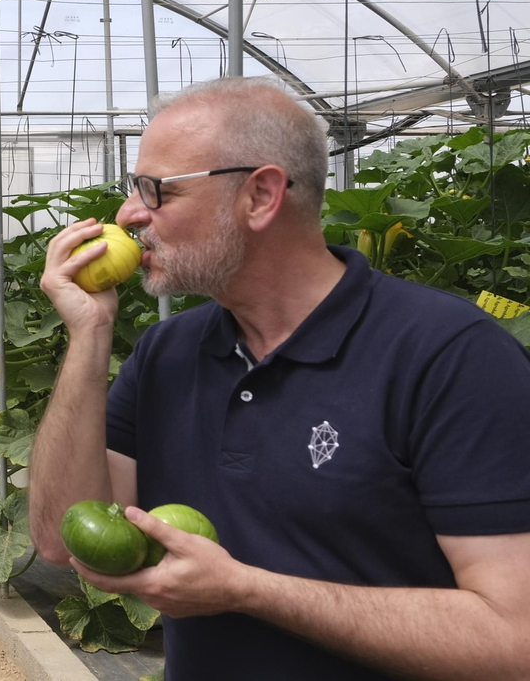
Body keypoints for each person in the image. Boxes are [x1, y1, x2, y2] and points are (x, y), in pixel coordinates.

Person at [30, 76, 530, 680]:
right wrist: (88, 337)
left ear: (261, 195)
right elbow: (62, 543)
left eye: (156, 190)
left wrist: (247, 590)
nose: (129, 215)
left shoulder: (449, 357)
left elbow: (513, 639)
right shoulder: (167, 352)